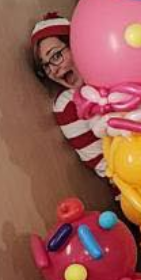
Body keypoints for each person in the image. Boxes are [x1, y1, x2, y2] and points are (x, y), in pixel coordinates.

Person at [31, 12, 106, 177]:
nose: (54, 70)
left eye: (56, 56)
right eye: (46, 67)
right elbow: (104, 167)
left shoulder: (110, 62)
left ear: (75, 44)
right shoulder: (67, 106)